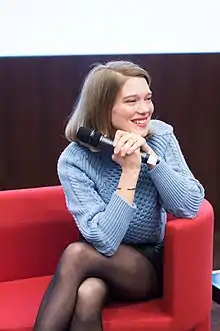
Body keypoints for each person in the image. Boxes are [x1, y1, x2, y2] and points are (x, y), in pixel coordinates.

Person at [33, 60, 205, 331]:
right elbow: (105, 241)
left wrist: (150, 159)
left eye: (147, 98)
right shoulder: (74, 160)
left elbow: (190, 205)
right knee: (87, 294)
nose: (144, 109)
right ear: (103, 107)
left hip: (150, 264)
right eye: (131, 101)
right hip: (101, 257)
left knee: (76, 254)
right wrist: (129, 171)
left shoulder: (161, 136)